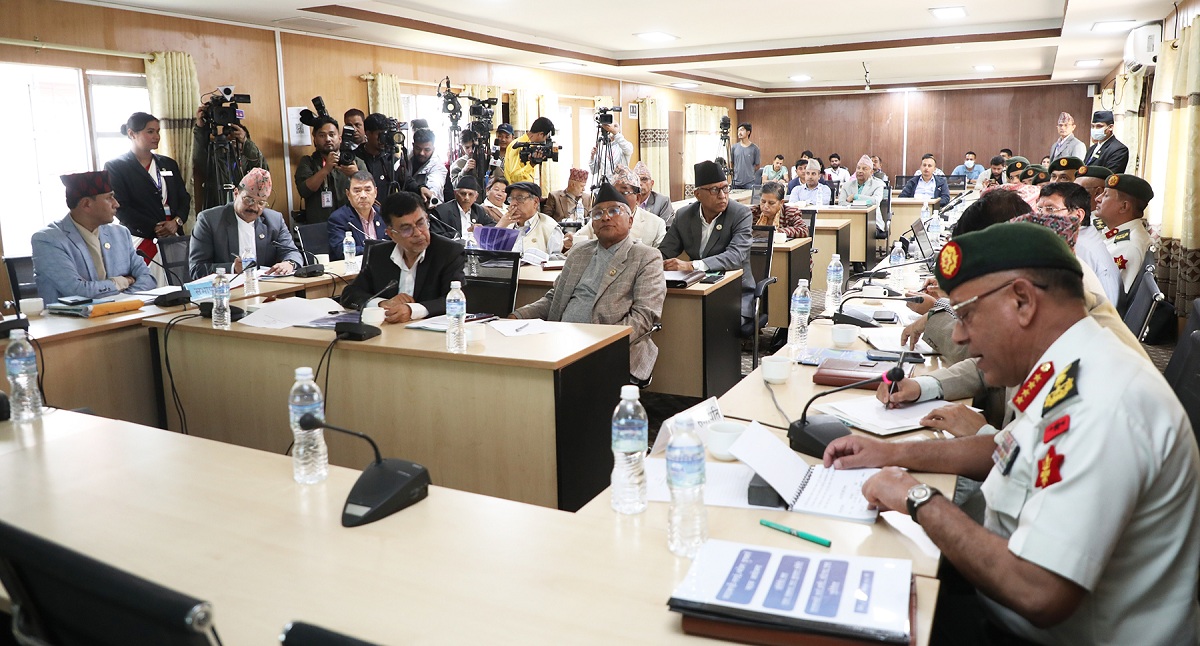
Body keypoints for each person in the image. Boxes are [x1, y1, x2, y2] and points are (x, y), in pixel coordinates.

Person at [827, 222, 1199, 645]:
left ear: (1022, 301)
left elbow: (1038, 592)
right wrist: (888, 453)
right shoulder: (1071, 363)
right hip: (1004, 601)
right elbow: (1007, 450)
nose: (959, 335)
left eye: (966, 315)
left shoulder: (1104, 402)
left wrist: (918, 498)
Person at [513, 182, 666, 383]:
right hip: (561, 341)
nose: (605, 217)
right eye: (598, 213)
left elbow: (643, 317)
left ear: (630, 221)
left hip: (611, 348)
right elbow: (553, 298)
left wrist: (597, 343)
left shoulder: (646, 256)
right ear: (592, 224)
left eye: (614, 211)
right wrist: (517, 316)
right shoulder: (579, 252)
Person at [339, 191, 465, 323]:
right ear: (391, 234)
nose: (417, 233)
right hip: (388, 331)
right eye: (406, 229)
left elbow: (456, 299)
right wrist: (382, 303)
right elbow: (350, 294)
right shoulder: (379, 254)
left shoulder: (448, 252)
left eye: (421, 223)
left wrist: (412, 310)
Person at [32, 170, 157, 303]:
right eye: (109, 198)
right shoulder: (48, 240)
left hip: (125, 312)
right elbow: (77, 291)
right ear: (86, 204)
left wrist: (121, 300)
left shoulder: (120, 234)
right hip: (76, 316)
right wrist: (121, 282)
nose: (116, 204)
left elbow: (148, 279)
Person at [659, 160, 754, 320]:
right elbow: (665, 251)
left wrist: (692, 265)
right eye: (714, 190)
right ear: (697, 194)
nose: (722, 195)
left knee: (714, 324)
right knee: (672, 319)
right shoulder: (684, 216)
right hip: (695, 289)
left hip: (733, 292)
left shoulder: (740, 214)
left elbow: (736, 256)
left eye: (725, 188)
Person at [104, 112, 191, 285]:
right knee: (149, 286)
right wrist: (155, 227)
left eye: (158, 131)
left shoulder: (168, 163)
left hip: (173, 234)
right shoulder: (117, 167)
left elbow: (184, 198)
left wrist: (177, 222)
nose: (156, 136)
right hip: (141, 236)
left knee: (177, 283)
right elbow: (121, 207)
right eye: (150, 132)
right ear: (132, 134)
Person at [189, 168, 303, 279]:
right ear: (236, 193)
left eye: (261, 203)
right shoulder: (209, 220)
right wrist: (233, 268)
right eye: (249, 200)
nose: (254, 207)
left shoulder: (274, 220)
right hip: (227, 288)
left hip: (266, 286)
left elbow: (293, 253)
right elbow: (196, 268)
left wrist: (289, 263)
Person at [1039, 181, 1119, 305]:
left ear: (1077, 215)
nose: (1041, 216)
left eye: (1051, 209)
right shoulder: (1084, 235)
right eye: (1039, 209)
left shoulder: (1077, 247)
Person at [567, 166, 666, 250]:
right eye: (614, 193)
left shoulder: (656, 225)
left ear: (638, 198)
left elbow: (661, 260)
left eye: (624, 193)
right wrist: (568, 241)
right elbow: (575, 244)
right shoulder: (600, 220)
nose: (617, 198)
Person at [192, 107, 268, 211]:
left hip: (246, 209)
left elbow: (263, 171)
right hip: (219, 207)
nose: (233, 144)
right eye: (230, 140)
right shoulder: (215, 159)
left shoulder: (251, 160)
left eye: (237, 140)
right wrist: (200, 128)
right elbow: (199, 158)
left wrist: (245, 141)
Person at [294, 115, 366, 225]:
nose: (328, 139)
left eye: (332, 135)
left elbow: (370, 191)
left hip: (352, 224)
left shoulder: (355, 162)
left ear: (340, 138)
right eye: (322, 135)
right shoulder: (308, 162)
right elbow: (304, 190)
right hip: (320, 226)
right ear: (315, 140)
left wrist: (355, 175)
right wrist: (326, 169)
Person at [1096, 173, 1154, 291]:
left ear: (1124, 207)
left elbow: (1111, 294)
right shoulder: (1119, 232)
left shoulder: (1128, 245)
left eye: (1106, 195)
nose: (1098, 198)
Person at [326, 171, 385, 261]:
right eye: (357, 191)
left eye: (367, 190)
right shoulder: (338, 218)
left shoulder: (384, 214)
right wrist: (377, 250)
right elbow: (341, 250)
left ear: (375, 192)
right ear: (348, 194)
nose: (363, 195)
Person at [492, 181, 563, 254]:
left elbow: (556, 259)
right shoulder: (506, 225)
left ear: (535, 202)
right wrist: (499, 226)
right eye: (511, 199)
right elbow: (488, 253)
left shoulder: (550, 228)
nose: (513, 203)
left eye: (520, 198)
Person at [355, 112, 408, 198]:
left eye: (386, 135)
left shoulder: (391, 159)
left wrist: (421, 188)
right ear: (368, 134)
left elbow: (408, 181)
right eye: (380, 135)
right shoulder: (355, 158)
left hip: (387, 205)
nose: (383, 139)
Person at [429, 175, 494, 240]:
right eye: (463, 194)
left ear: (476, 197)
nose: (466, 198)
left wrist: (482, 229)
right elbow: (436, 236)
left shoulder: (478, 210)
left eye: (470, 194)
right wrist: (465, 232)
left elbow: (493, 225)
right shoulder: (441, 211)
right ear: (455, 194)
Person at [505, 117, 555, 184]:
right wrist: (531, 164)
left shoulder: (531, 146)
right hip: (517, 189)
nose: (545, 141)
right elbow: (515, 177)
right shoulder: (518, 145)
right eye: (546, 137)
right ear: (541, 134)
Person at [407, 128, 446, 206]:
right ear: (413, 145)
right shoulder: (406, 156)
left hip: (427, 206)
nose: (421, 153)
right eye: (418, 148)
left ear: (433, 149)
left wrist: (431, 195)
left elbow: (436, 183)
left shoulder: (437, 166)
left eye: (427, 150)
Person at [589, 121, 633, 185]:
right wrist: (592, 157)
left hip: (620, 185)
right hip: (605, 185)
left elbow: (628, 149)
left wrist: (616, 133)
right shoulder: (602, 148)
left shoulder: (623, 146)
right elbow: (593, 171)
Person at [633, 161, 675, 226]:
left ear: (652, 183)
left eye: (644, 179)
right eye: (636, 180)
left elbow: (667, 228)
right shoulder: (627, 200)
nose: (640, 183)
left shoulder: (663, 201)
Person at [730, 122, 761, 190]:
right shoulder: (734, 147)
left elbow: (757, 166)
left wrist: (749, 172)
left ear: (748, 132)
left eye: (742, 130)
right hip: (736, 182)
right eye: (738, 131)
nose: (739, 132)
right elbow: (732, 163)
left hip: (749, 182)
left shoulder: (755, 148)